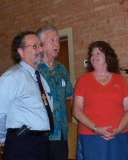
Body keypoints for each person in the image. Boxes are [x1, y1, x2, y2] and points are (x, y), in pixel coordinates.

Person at [73, 41, 128, 160]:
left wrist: (118, 129)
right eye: (92, 54)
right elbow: (76, 110)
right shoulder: (83, 81)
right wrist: (96, 128)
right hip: (90, 136)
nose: (93, 57)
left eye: (98, 53)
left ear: (107, 57)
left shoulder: (120, 81)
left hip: (118, 136)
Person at [0, 31, 53, 160]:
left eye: (40, 45)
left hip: (42, 143)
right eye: (34, 46)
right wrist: (2, 137)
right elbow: (0, 112)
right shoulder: (12, 77)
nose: (40, 50)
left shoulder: (41, 79)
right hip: (22, 144)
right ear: (21, 52)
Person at [36, 25, 73, 160]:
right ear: (41, 45)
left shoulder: (61, 68)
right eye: (52, 40)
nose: (57, 44)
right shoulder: (34, 69)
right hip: (41, 133)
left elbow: (69, 93)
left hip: (61, 132)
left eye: (58, 40)